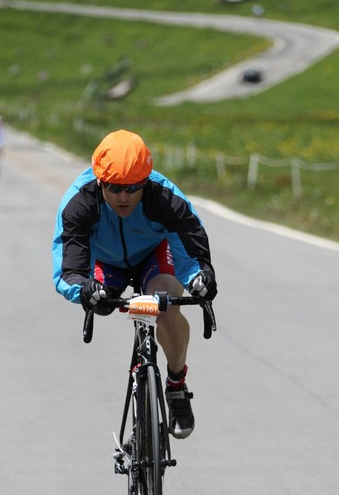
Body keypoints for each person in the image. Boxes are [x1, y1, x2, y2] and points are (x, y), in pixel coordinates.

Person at [52, 129, 217, 439]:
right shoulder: (79, 201)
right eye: (114, 188)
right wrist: (85, 290)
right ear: (100, 181)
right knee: (100, 303)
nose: (123, 197)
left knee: (166, 303)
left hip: (153, 257)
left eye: (132, 188)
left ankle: (177, 385)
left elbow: (192, 255)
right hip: (105, 262)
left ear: (146, 181)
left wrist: (200, 279)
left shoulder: (165, 196)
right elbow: (70, 267)